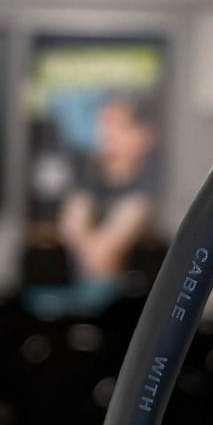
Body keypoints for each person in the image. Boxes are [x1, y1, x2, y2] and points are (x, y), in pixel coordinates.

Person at [55, 92, 162, 287]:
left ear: (143, 135)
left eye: (119, 126)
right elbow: (69, 231)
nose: (108, 135)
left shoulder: (146, 191)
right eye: (103, 125)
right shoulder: (87, 179)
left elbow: (102, 255)